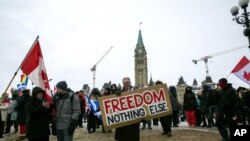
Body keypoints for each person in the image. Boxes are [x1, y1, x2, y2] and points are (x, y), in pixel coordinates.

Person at [115, 77, 140, 141]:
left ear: (130, 83)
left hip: (134, 119)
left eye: (127, 82)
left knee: (133, 137)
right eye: (125, 83)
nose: (126, 84)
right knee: (123, 137)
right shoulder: (119, 91)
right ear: (123, 83)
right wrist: (116, 94)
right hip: (123, 120)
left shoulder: (135, 89)